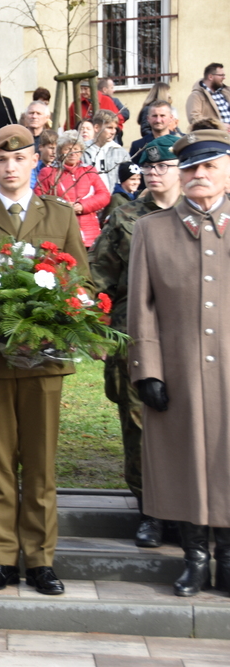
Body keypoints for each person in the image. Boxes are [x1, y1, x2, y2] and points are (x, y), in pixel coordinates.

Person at [0, 124, 88, 596]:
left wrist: (51, 321)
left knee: (41, 463)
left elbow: (82, 282)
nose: (10, 167)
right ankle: (2, 558)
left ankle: (41, 559)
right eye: (1, 160)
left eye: (19, 158)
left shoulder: (60, 214)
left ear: (34, 161)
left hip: (44, 361)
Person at [126, 129, 230, 597]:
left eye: (209, 166)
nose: (199, 174)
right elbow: (141, 307)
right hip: (178, 369)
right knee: (184, 459)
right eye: (190, 167)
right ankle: (195, 558)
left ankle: (229, 558)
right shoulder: (152, 230)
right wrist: (147, 369)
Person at [88, 134, 180, 550]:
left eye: (163, 167)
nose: (153, 174)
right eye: (148, 167)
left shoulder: (198, 214)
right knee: (138, 422)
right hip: (133, 335)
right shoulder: (125, 216)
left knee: (186, 423)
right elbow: (99, 275)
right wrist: (95, 328)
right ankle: (150, 512)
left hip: (185, 335)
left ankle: (186, 511)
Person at [35, 131, 110, 248]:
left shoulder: (89, 171)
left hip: (90, 235)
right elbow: (39, 200)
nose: (72, 153)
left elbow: (104, 195)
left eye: (76, 149)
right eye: (68, 149)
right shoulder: (48, 172)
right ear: (60, 151)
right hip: (61, 231)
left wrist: (83, 206)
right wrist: (63, 207)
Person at [84, 109, 130, 192]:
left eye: (115, 128)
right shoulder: (83, 150)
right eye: (109, 127)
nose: (113, 132)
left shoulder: (120, 152)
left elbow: (128, 180)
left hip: (114, 197)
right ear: (96, 127)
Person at [186, 63, 230, 131]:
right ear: (210, 77)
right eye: (221, 75)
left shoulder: (227, 92)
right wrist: (220, 126)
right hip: (213, 135)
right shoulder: (196, 96)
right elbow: (194, 118)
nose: (224, 78)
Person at [99, 78, 130, 145]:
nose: (114, 90)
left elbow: (126, 113)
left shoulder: (115, 100)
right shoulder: (106, 100)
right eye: (112, 88)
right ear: (104, 89)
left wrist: (116, 119)